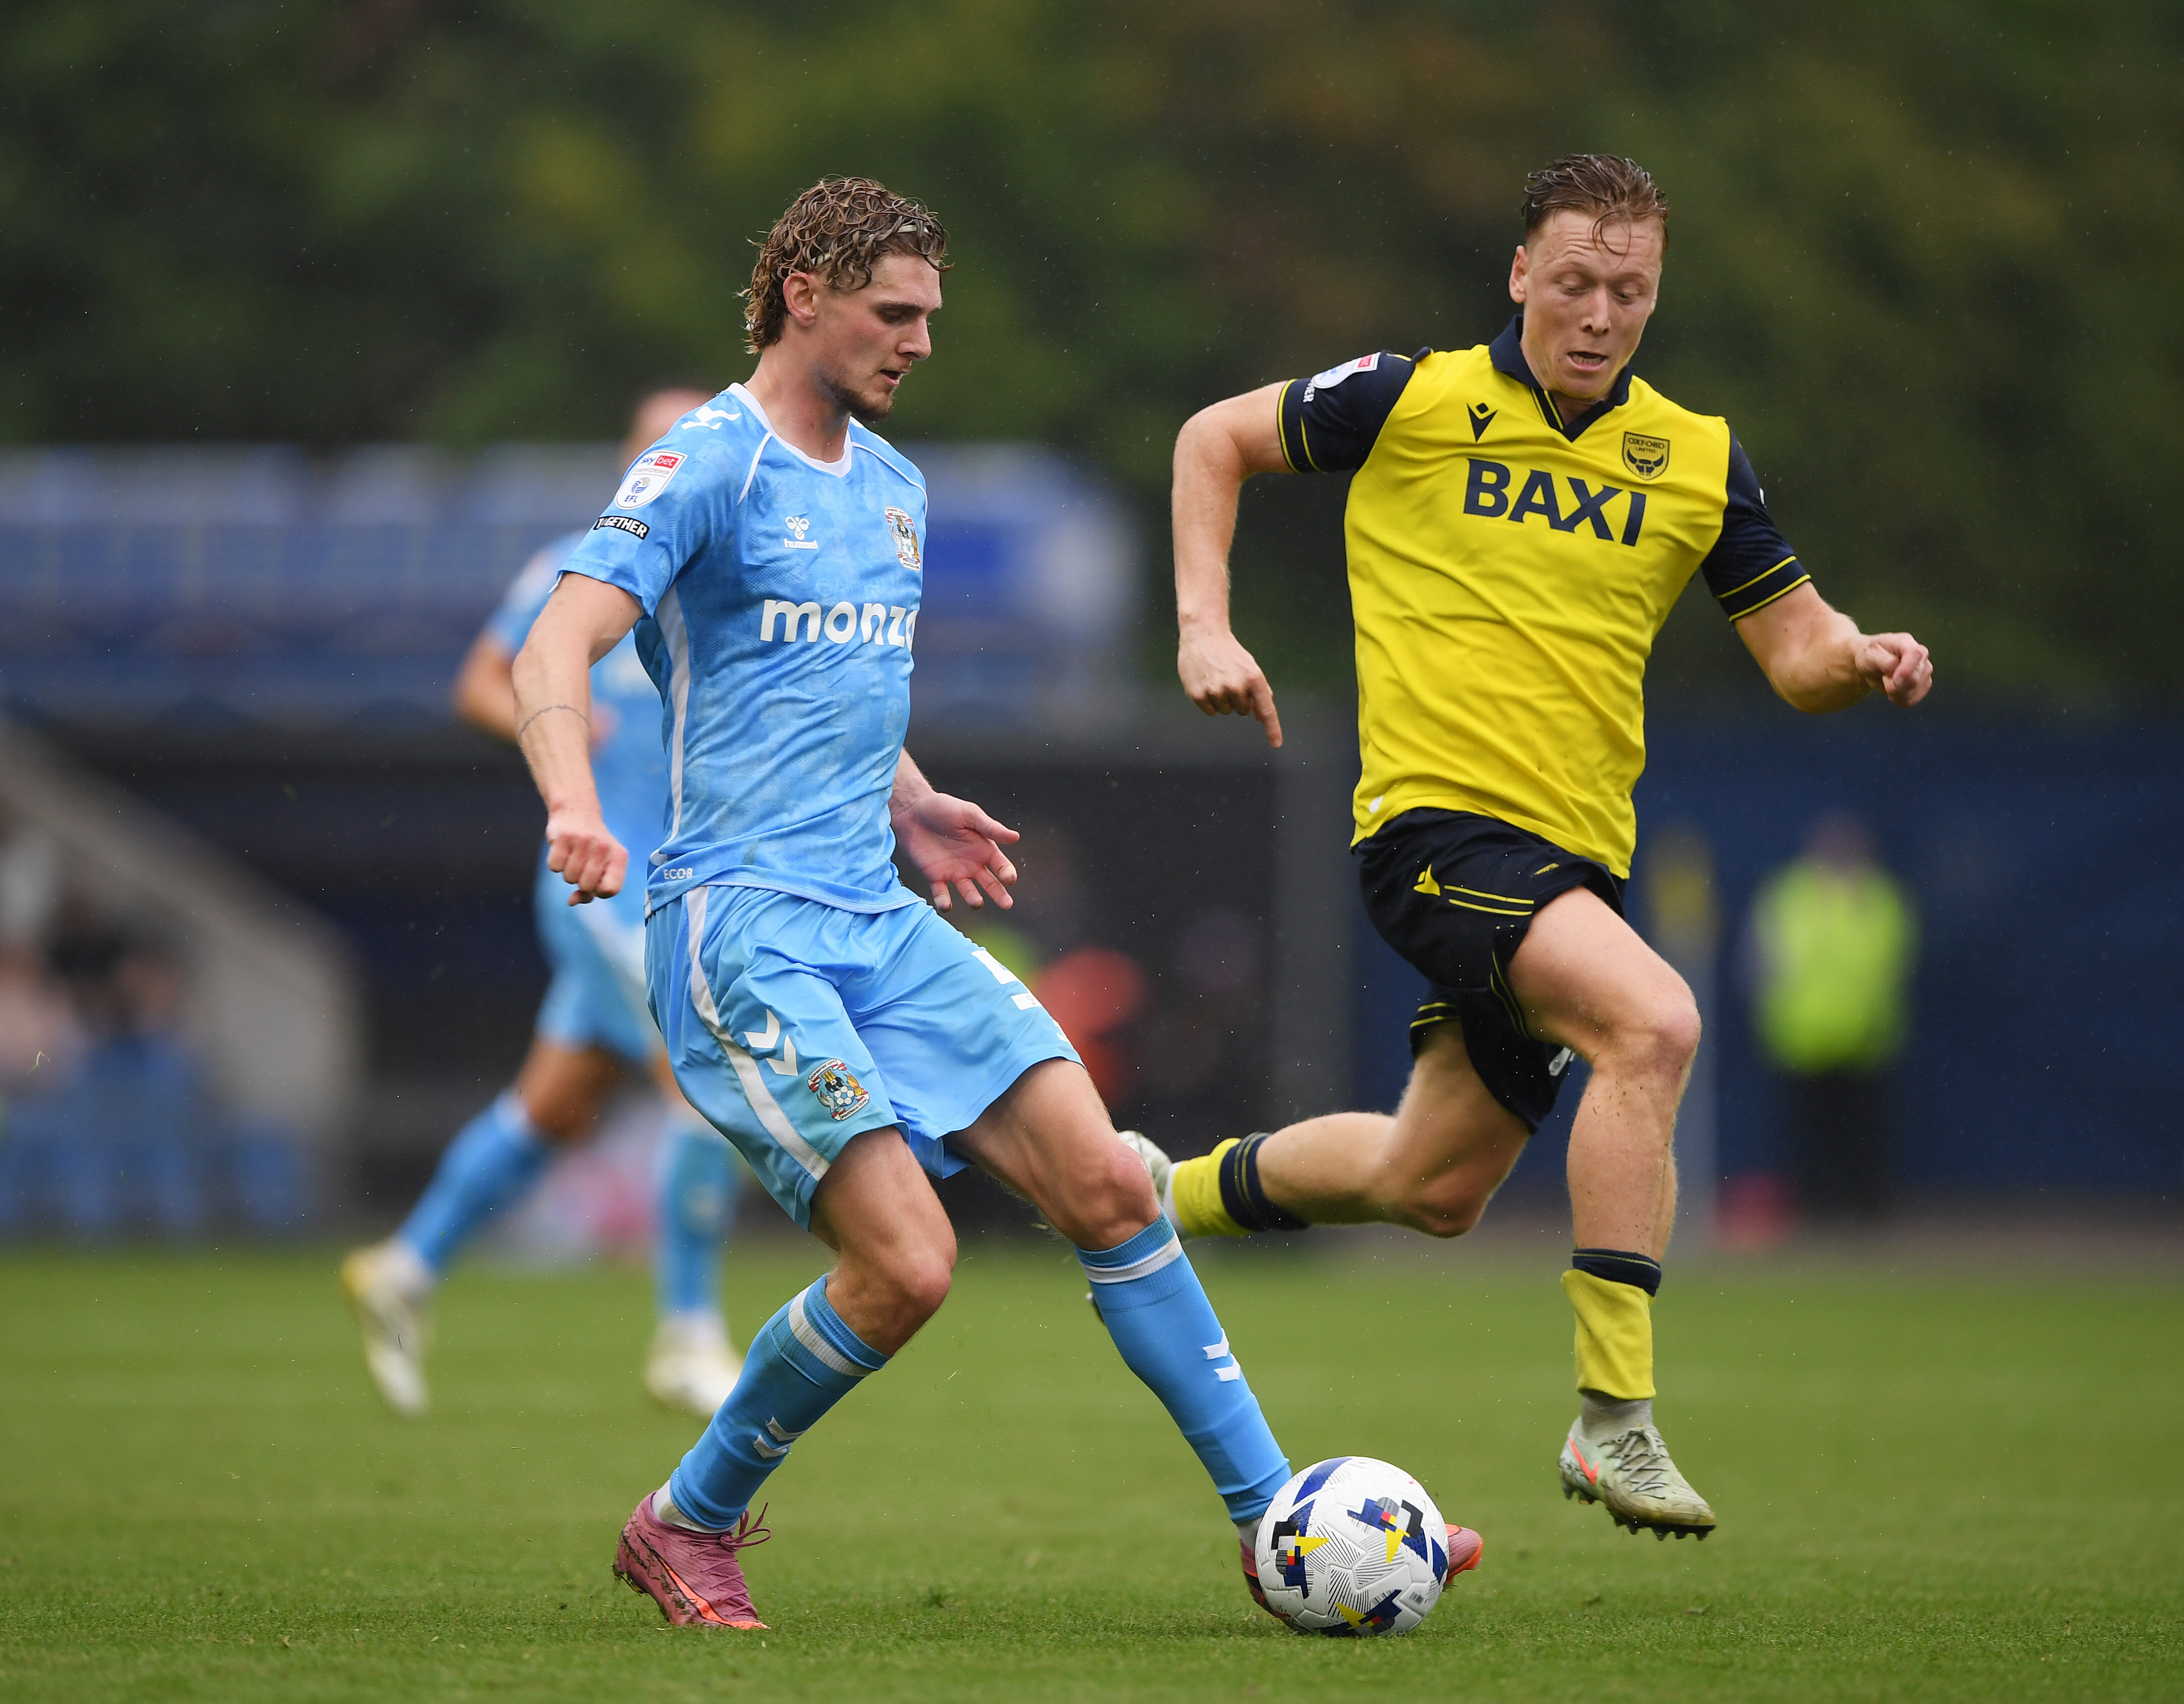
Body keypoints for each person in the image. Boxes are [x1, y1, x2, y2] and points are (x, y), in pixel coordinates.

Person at [508, 177, 1480, 1630]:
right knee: (906, 1266)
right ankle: (683, 1522)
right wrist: (575, 803)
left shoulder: (892, 491)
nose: (916, 341)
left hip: (878, 917)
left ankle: (1273, 1520)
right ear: (800, 296)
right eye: (892, 314)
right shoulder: (704, 465)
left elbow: (821, 681)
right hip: (743, 931)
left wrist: (905, 796)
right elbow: (554, 645)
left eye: (927, 317)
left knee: (1103, 1181)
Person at [1135, 154, 1935, 1541]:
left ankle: (1150, 1192)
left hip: (1572, 862)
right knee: (1655, 1022)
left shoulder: (1693, 455)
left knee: (1425, 1183)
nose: (1599, 313)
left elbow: (1792, 655)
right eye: (1573, 281)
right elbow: (1212, 437)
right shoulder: (1413, 397)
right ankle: (1611, 1420)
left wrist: (1856, 656)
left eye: (1629, 290)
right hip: (1432, 828)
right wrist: (1204, 625)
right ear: (1518, 273)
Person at [341, 386, 752, 1421]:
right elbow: (483, 680)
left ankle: (406, 1264)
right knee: (703, 1072)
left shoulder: (732, 577)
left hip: (684, 881)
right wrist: (555, 723)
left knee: (553, 1105)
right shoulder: (582, 567)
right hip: (603, 879)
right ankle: (687, 1328)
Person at [1748, 812, 1919, 1221]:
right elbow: (1760, 962)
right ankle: (1816, 1212)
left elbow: (1895, 964)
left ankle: (1865, 1214)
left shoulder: (1881, 898)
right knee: (1809, 1138)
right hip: (1802, 1038)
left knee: (1864, 1137)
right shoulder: (1791, 895)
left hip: (1865, 1039)